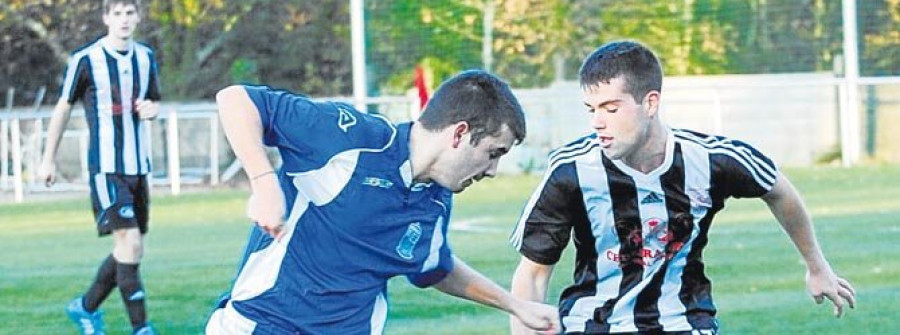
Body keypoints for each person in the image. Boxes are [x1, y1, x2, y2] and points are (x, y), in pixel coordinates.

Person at [508, 41, 856, 334]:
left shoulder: (710, 159)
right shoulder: (571, 169)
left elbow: (779, 190)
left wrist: (817, 266)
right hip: (593, 323)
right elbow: (533, 275)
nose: (597, 122)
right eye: (591, 109)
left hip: (684, 322)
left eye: (611, 108)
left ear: (650, 103)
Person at [206, 70, 561, 334]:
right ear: (460, 134)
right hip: (262, 325)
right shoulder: (352, 138)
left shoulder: (435, 201)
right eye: (492, 153)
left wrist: (515, 305)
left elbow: (436, 268)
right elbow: (236, 99)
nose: (493, 171)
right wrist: (264, 183)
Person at [38, 1, 160, 334]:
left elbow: (152, 100)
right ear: (106, 18)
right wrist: (48, 158)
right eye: (117, 13)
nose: (124, 20)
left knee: (129, 249)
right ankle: (142, 328)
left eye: (129, 12)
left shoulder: (146, 57)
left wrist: (152, 109)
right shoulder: (86, 59)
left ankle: (86, 307)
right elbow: (63, 108)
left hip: (139, 168)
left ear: (137, 17)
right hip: (106, 168)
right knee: (130, 243)